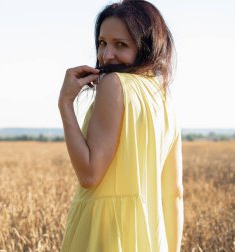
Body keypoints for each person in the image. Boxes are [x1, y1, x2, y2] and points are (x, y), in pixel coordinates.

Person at [58, 0, 184, 251]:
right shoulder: (162, 96)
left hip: (104, 234)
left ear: (146, 47)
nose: (106, 55)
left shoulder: (114, 84)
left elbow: (90, 174)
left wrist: (65, 103)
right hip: (149, 238)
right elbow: (175, 192)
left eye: (121, 45)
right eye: (102, 43)